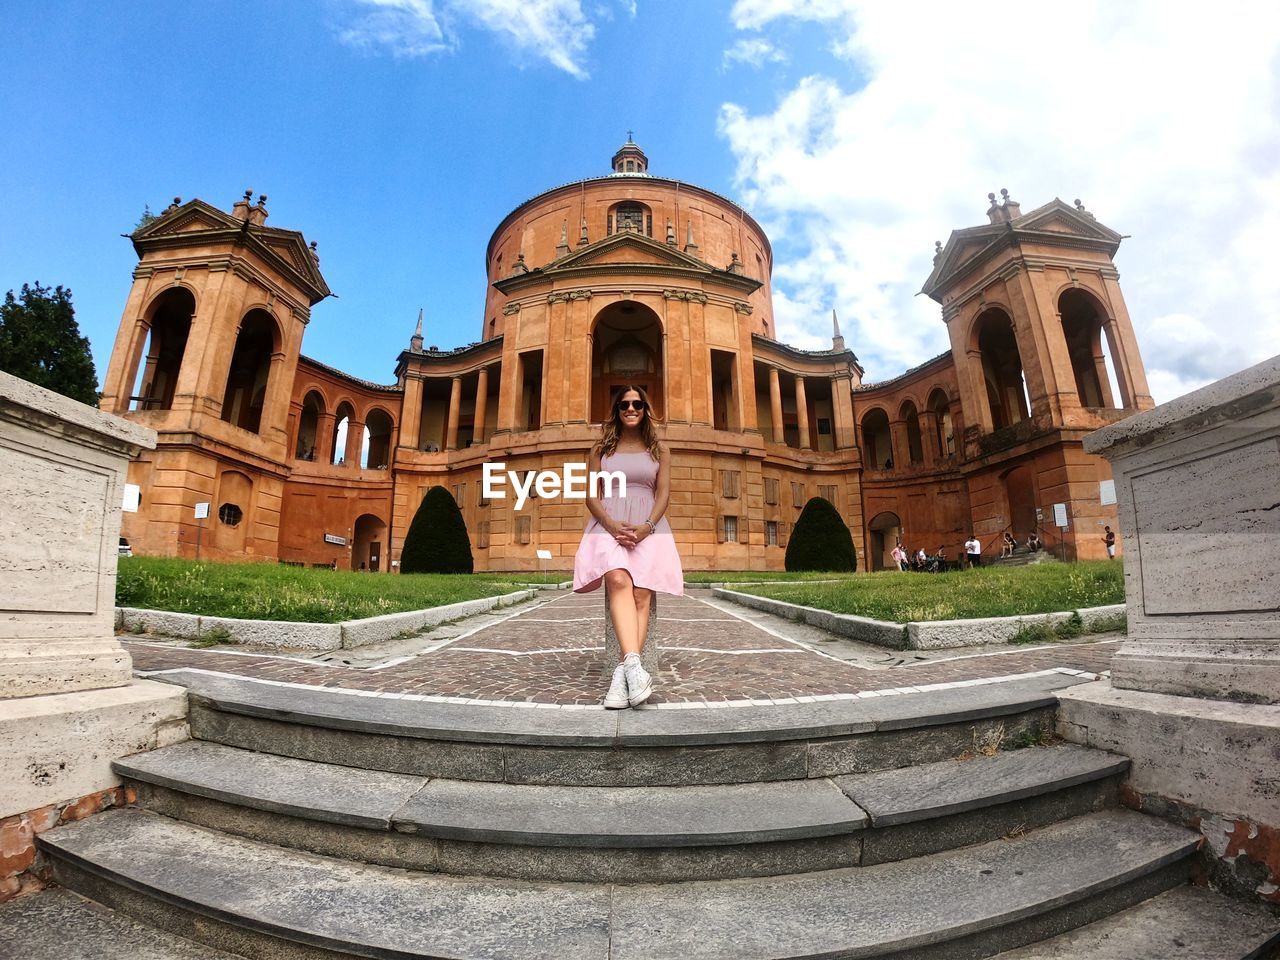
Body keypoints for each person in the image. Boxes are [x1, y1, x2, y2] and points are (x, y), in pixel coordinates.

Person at [573, 386, 684, 709]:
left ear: (646, 408)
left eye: (637, 404)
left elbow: (663, 494)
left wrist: (647, 527)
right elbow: (591, 496)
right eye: (624, 404)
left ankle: (624, 677)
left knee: (641, 594)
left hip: (649, 525)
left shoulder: (660, 449)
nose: (631, 408)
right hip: (610, 523)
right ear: (617, 409)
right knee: (618, 580)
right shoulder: (600, 449)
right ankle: (635, 668)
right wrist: (610, 524)